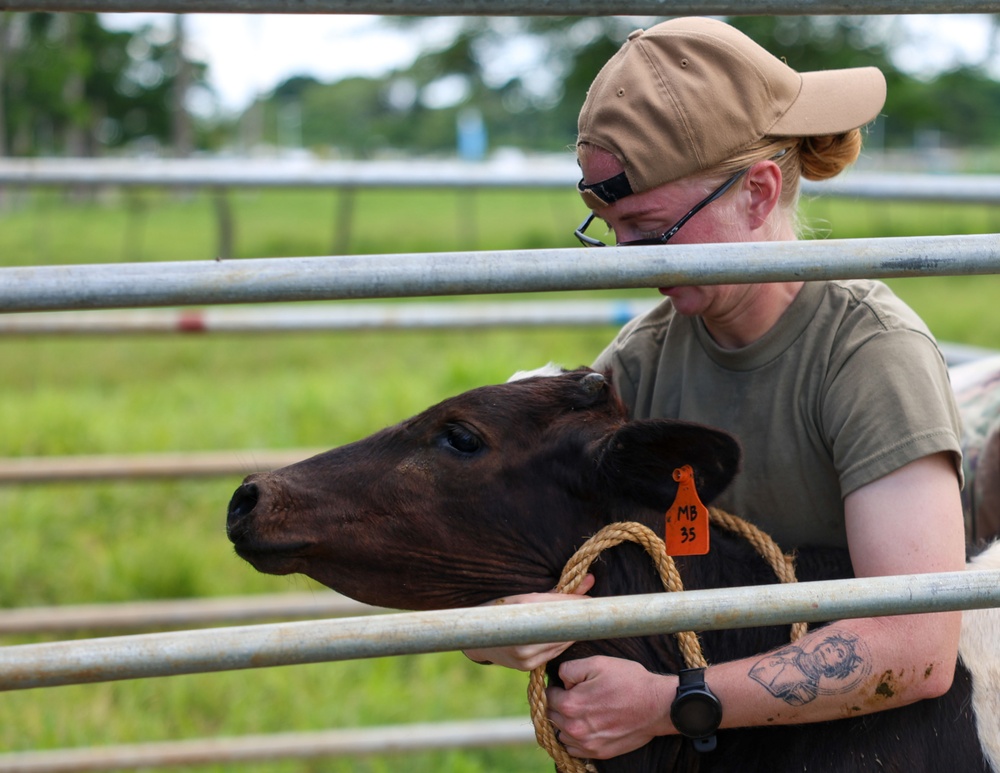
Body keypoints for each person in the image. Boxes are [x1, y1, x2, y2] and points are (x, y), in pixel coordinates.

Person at [464, 16, 966, 762]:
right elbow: (524, 558)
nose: (624, 263)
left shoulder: (868, 354)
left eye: (651, 230)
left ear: (759, 193)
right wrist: (506, 626)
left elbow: (920, 647)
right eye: (607, 230)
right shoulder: (639, 363)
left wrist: (671, 704)